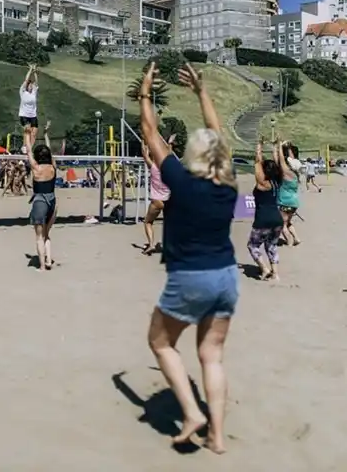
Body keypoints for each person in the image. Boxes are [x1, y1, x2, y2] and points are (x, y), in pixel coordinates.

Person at [140, 62, 238, 454]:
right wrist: (201, 92)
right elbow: (219, 138)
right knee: (211, 357)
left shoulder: (179, 179)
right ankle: (216, 435)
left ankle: (193, 414)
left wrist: (146, 92)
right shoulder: (228, 183)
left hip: (191, 276)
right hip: (226, 277)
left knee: (161, 343)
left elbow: (150, 133)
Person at [247, 136, 284, 280]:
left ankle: (264, 269)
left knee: (253, 246)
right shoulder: (277, 182)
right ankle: (275, 273)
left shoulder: (262, 184)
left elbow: (257, 161)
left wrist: (259, 145)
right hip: (277, 219)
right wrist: (276, 146)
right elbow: (278, 164)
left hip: (263, 219)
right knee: (272, 246)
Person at [24, 120, 56, 271]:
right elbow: (49, 150)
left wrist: (26, 134)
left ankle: (42, 266)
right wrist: (46, 134)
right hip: (53, 202)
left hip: (40, 201)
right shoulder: (52, 166)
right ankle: (49, 260)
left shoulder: (36, 168)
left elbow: (29, 151)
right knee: (46, 234)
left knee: (38, 237)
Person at [140, 135, 175, 255]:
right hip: (169, 201)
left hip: (157, 201)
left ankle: (151, 245)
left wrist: (144, 140)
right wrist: (170, 143)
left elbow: (144, 153)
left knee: (148, 222)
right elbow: (169, 154)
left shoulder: (153, 167)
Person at [278, 141, 302, 246]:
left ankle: (289, 241)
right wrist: (287, 148)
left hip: (285, 201)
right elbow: (290, 161)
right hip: (294, 202)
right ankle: (296, 238)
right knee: (288, 223)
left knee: (281, 224)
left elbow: (281, 159)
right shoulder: (297, 175)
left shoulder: (287, 173)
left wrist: (279, 147)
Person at [19, 64, 39, 138]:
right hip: (24, 115)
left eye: (32, 85)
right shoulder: (23, 91)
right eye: (30, 85)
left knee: (34, 133)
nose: (32, 86)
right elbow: (26, 80)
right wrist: (30, 69)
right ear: (27, 86)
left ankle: (29, 147)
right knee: (28, 132)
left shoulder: (34, 92)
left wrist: (35, 72)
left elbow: (36, 82)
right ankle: (25, 147)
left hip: (33, 115)